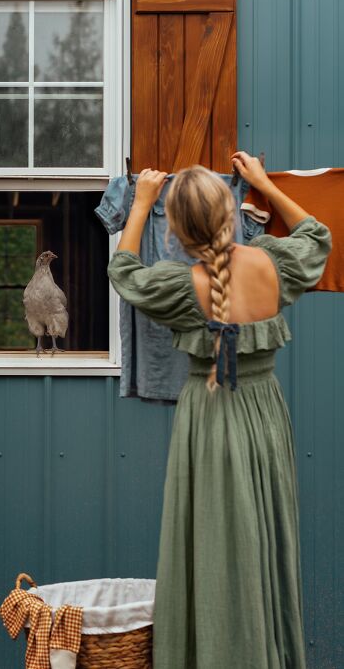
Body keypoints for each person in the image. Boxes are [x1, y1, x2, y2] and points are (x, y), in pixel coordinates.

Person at [108, 152, 332, 669]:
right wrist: (264, 185)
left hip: (208, 417)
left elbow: (125, 273)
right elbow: (316, 235)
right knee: (259, 538)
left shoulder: (179, 283)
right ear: (231, 212)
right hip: (264, 414)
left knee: (211, 539)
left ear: (176, 229)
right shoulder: (275, 263)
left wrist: (140, 205)